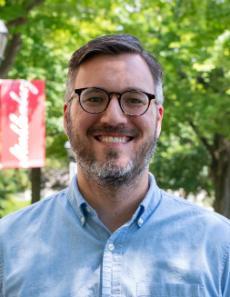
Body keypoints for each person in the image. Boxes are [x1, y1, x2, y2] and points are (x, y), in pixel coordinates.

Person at [0, 34, 229, 297]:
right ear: (66, 118)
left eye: (134, 99)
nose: (113, 117)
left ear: (158, 119)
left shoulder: (219, 247)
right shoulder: (7, 246)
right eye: (94, 98)